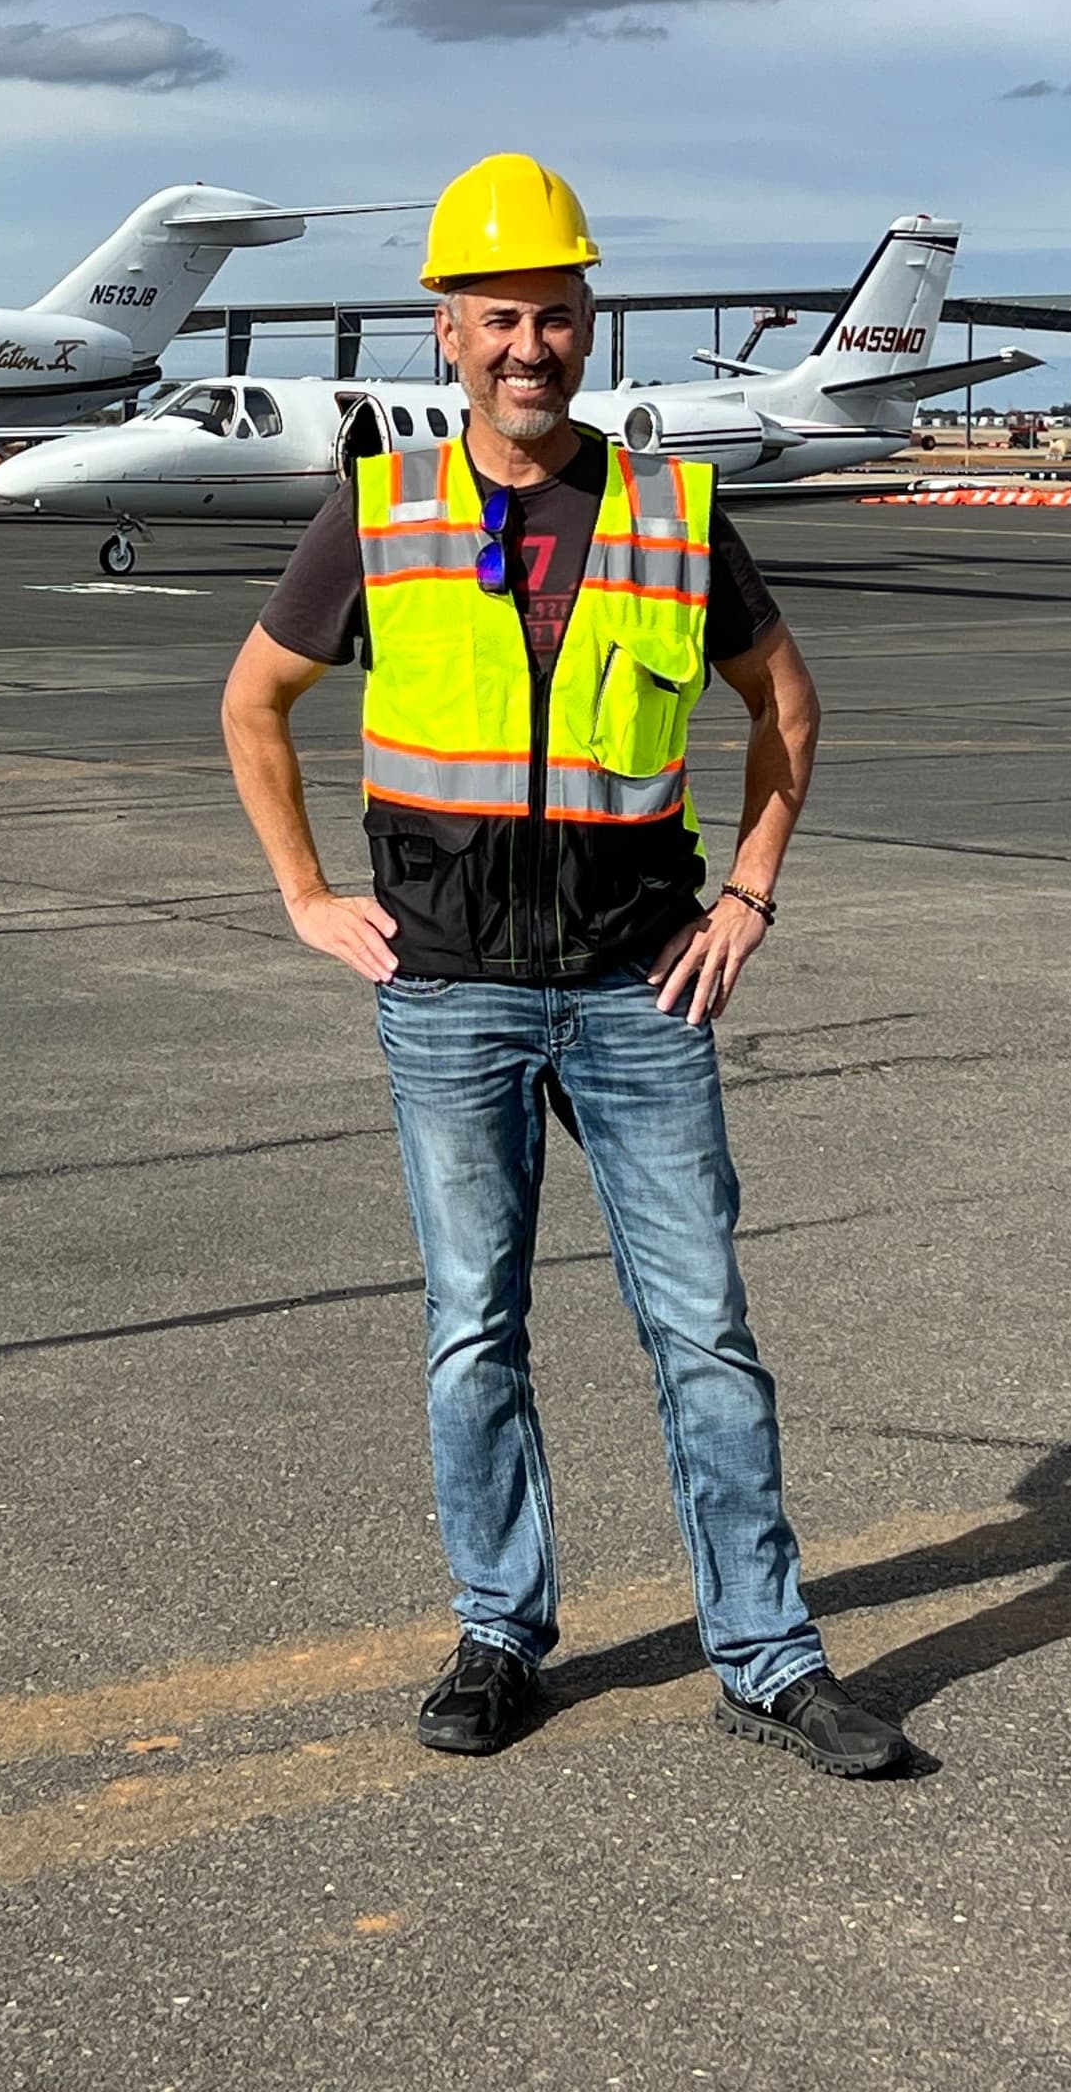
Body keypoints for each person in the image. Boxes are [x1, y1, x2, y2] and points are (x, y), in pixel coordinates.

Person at [217, 152, 913, 1781]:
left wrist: (745, 896)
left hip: (637, 986)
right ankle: (499, 1632)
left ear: (586, 327)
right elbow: (253, 705)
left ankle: (767, 1654)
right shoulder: (380, 512)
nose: (533, 346)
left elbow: (786, 710)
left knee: (705, 1331)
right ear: (449, 332)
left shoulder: (673, 509)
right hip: (449, 988)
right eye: (503, 318)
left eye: (559, 316)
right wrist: (306, 894)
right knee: (477, 1327)